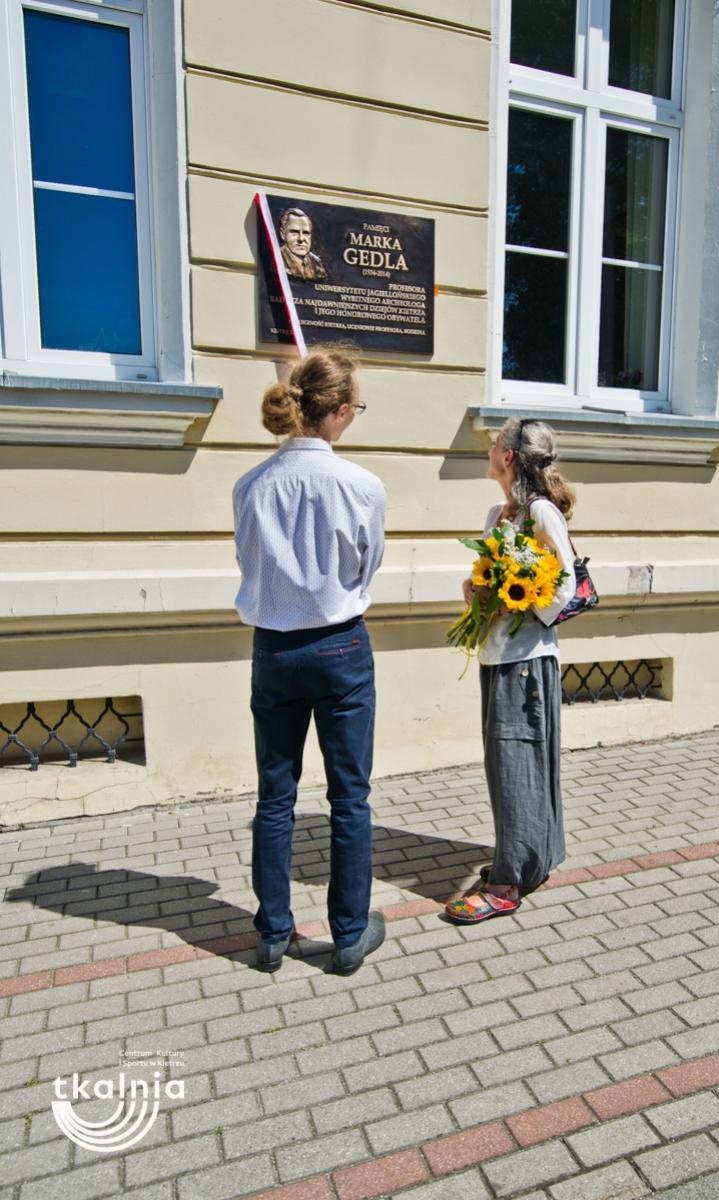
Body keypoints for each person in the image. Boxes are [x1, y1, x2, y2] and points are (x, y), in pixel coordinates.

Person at [233, 347, 386, 974]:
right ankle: (348, 933)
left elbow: (251, 564)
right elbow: (364, 565)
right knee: (349, 796)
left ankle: (273, 932)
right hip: (340, 643)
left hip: (273, 646)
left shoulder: (249, 485)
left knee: (276, 795)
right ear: (342, 411)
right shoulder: (362, 485)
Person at [445, 419, 577, 924]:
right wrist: (478, 593)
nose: (489, 446)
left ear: (510, 456)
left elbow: (563, 588)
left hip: (525, 664)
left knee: (515, 765)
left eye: (495, 441)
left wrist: (519, 602)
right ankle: (531, 858)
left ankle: (506, 883)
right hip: (498, 655)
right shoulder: (498, 513)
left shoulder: (541, 512)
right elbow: (492, 578)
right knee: (507, 764)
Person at [279, 207, 327, 281]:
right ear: (282, 234)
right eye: (294, 232)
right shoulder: (277, 259)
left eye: (306, 233)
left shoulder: (317, 262)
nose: (301, 239)